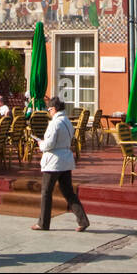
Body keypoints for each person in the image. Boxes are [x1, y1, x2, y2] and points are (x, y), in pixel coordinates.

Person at [31, 96, 90, 233]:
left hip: (54, 161)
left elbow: (49, 144)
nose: (49, 111)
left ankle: (43, 223)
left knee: (46, 191)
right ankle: (82, 220)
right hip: (66, 159)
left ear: (55, 109)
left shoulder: (55, 123)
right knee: (69, 192)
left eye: (49, 109)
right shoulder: (67, 121)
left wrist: (41, 144)